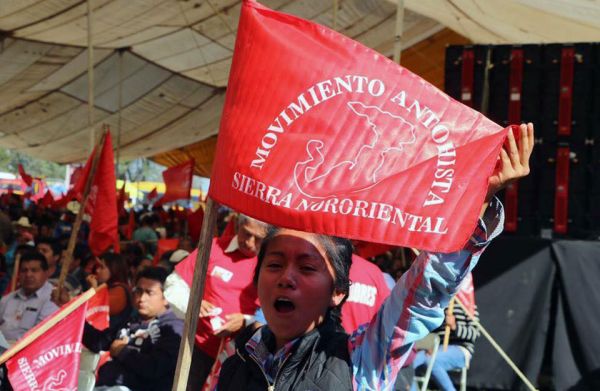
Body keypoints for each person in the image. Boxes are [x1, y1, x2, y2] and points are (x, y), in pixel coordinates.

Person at [215, 124, 534, 390]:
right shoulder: (236, 360)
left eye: (308, 266)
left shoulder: (359, 360)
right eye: (274, 264)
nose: (286, 277)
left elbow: (424, 293)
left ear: (337, 293)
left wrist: (477, 201)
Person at [163, 214, 269, 390]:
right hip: (196, 347)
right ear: (237, 226)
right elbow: (174, 284)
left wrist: (245, 321)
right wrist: (193, 303)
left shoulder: (271, 262)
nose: (250, 242)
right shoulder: (214, 248)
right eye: (246, 233)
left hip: (242, 354)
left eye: (258, 239)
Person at [83, 267, 183, 391]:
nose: (141, 298)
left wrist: (122, 351)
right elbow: (98, 342)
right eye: (139, 291)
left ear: (166, 297)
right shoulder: (133, 320)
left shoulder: (173, 328)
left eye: (149, 292)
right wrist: (74, 317)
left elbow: (155, 368)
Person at [412, 303, 479, 391]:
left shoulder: (468, 302)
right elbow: (432, 331)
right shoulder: (440, 305)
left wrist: (454, 326)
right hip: (437, 348)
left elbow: (475, 334)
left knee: (432, 360)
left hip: (461, 349)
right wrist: (430, 346)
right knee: (409, 361)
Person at [0, 251, 58, 341]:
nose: (28, 275)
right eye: (24, 270)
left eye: (34, 270)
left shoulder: (53, 299)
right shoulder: (8, 299)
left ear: (46, 273)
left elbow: (40, 336)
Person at [87, 253, 132, 329]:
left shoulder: (120, 291)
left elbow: (98, 309)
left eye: (102, 267)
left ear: (114, 269)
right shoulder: (107, 287)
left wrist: (93, 288)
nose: (97, 270)